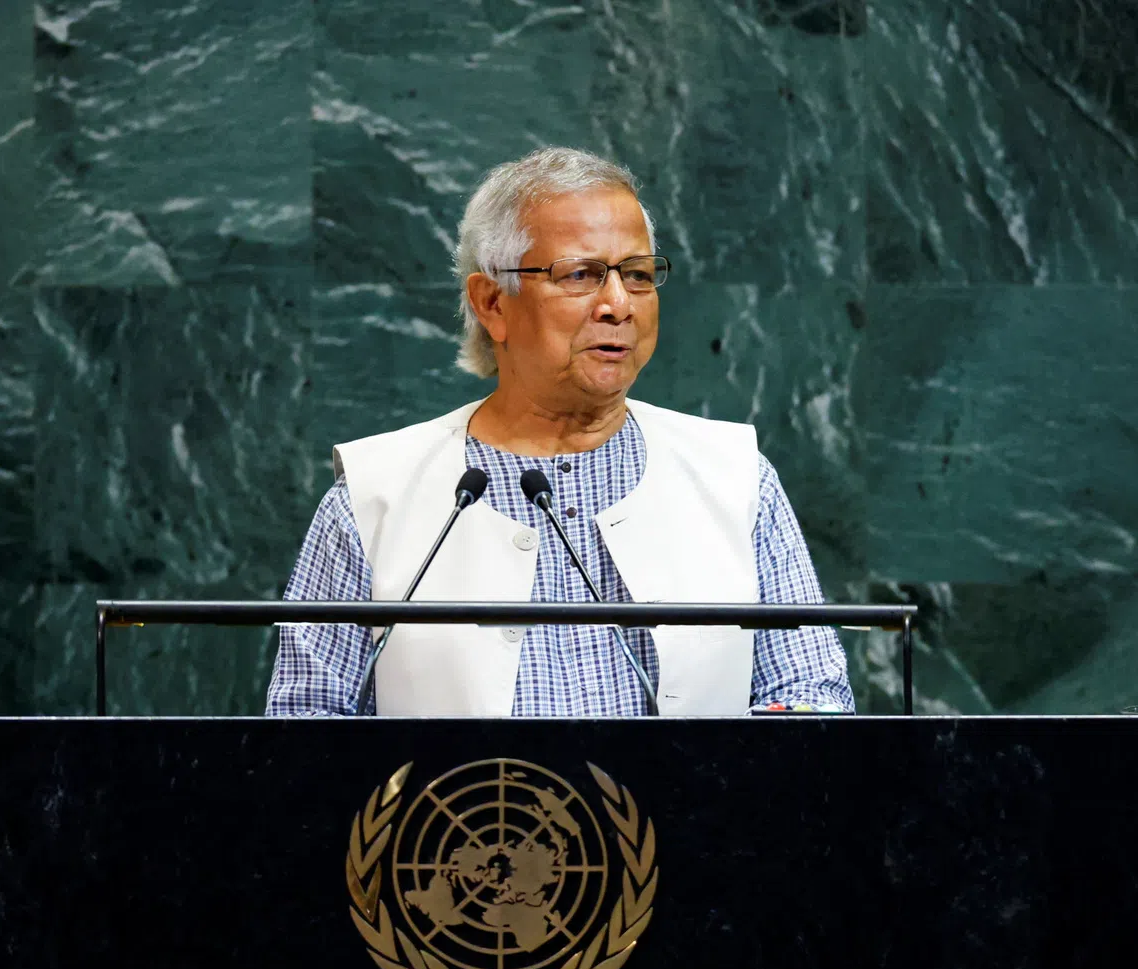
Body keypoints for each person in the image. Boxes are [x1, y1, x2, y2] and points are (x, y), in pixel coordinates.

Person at [266, 146, 853, 717]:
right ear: (493, 302)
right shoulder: (374, 498)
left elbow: (813, 698)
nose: (618, 304)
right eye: (582, 274)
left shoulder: (735, 478)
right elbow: (304, 728)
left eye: (639, 274)